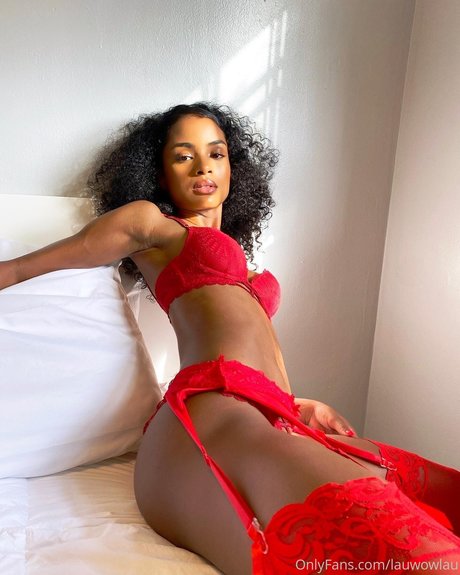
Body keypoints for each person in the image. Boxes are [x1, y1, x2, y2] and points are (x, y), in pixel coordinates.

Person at [1, 102, 459, 575]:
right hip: (210, 408)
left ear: (231, 166)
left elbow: (254, 346)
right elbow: (17, 269)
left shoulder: (246, 267)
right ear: (158, 174)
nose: (203, 167)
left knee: (441, 496)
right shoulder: (153, 225)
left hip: (269, 412)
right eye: (183, 156)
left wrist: (297, 403)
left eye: (215, 154)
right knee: (419, 552)